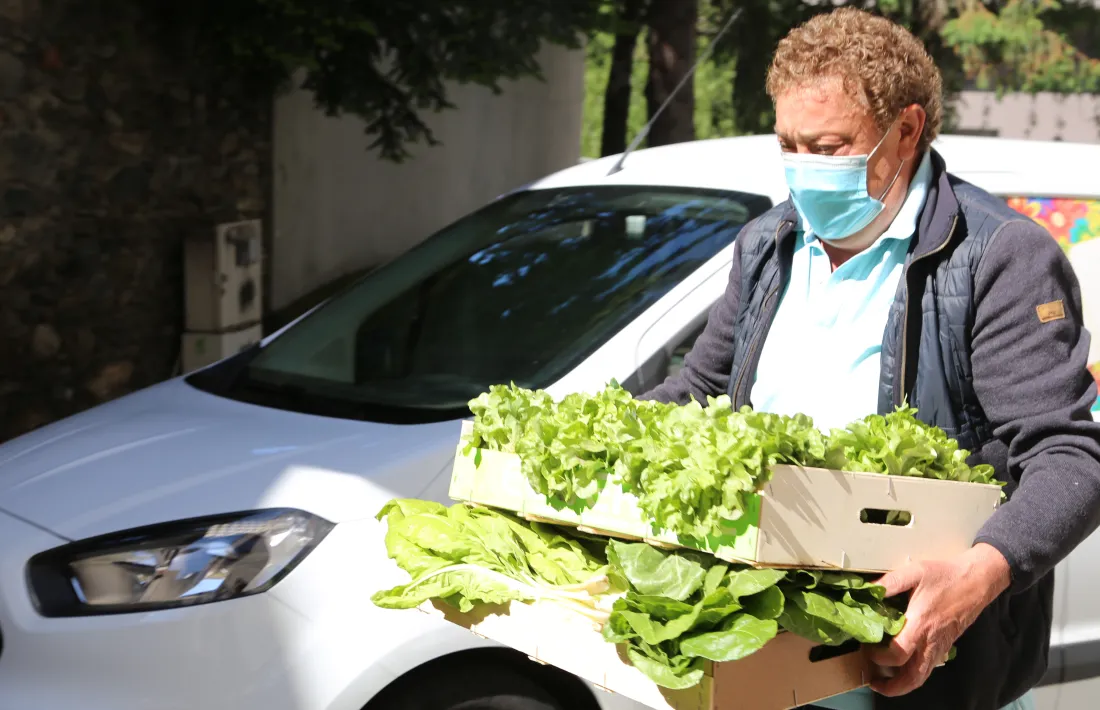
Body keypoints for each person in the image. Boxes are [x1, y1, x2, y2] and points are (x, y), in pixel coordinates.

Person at [639, 8, 1100, 710]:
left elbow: (1069, 455)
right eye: (789, 145)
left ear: (906, 130)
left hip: (920, 667)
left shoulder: (996, 256)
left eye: (829, 148)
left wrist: (976, 577)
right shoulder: (768, 245)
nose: (805, 169)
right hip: (767, 651)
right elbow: (700, 390)